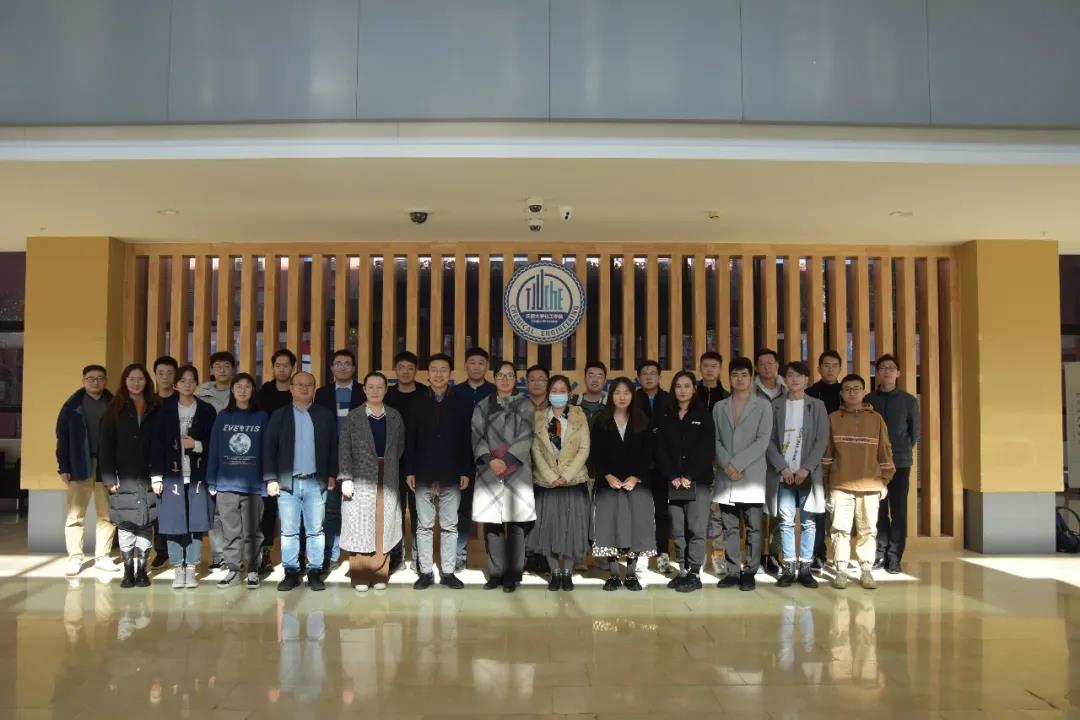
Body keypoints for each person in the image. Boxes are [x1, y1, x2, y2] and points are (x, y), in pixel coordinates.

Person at [264, 372, 339, 592]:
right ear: (291, 388)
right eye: (299, 385)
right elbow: (269, 448)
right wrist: (270, 478)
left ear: (314, 388)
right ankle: (291, 572)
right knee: (289, 531)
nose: (304, 388)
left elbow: (333, 447)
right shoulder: (279, 415)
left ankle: (315, 571)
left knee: (316, 530)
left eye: (309, 385)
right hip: (287, 483)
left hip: (316, 482)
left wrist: (332, 474)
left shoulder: (325, 415)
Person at [404, 354, 472, 590]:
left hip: (453, 473)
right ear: (428, 374)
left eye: (444, 369)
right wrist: (409, 470)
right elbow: (410, 440)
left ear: (450, 374)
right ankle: (425, 572)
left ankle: (448, 572)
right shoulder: (417, 403)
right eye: (434, 369)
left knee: (450, 525)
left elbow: (467, 440)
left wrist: (465, 470)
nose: (439, 374)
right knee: (423, 525)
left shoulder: (462, 402)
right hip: (422, 473)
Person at [822, 374, 896, 590]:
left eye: (856, 388)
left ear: (864, 392)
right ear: (841, 393)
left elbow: (885, 451)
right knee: (839, 529)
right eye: (847, 389)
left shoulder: (876, 419)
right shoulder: (833, 418)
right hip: (840, 484)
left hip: (870, 485)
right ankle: (841, 571)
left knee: (868, 530)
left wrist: (884, 481)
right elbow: (827, 453)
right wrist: (825, 483)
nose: (852, 392)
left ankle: (866, 570)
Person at [149, 365, 217, 590]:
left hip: (198, 474)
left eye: (192, 380)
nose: (187, 384)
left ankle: (191, 568)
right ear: (175, 385)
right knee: (172, 522)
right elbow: (156, 445)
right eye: (183, 381)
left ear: (196, 383)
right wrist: (156, 476)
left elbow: (214, 443)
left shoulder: (206, 410)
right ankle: (178, 567)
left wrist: (195, 444)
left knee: (196, 523)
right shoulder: (164, 410)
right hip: (171, 475)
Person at [471, 362, 536, 592]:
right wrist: (491, 460)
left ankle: (513, 575)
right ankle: (496, 573)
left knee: (516, 525)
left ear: (516, 379)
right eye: (501, 375)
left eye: (510, 375)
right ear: (494, 377)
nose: (505, 379)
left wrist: (506, 460)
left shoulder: (525, 405)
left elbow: (527, 436)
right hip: (489, 470)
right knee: (492, 524)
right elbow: (476, 436)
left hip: (517, 470)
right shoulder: (482, 405)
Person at [338, 372, 406, 592]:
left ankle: (379, 573)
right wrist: (346, 477)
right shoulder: (354, 416)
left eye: (380, 387)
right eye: (371, 387)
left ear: (386, 390)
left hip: (388, 475)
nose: (375, 391)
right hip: (360, 476)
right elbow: (344, 449)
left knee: (383, 524)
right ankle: (360, 574)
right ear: (364, 389)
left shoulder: (394, 416)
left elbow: (399, 447)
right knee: (359, 524)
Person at [765, 361, 829, 589]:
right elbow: (768, 440)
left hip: (807, 473)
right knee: (786, 521)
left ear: (806, 380)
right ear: (784, 379)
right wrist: (782, 467)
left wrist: (806, 468)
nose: (794, 379)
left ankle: (805, 568)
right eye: (790, 375)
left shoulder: (817, 405)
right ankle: (789, 567)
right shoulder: (775, 405)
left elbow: (822, 439)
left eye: (799, 376)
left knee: (809, 522)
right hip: (783, 474)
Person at [713, 357, 773, 591]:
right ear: (729, 378)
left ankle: (749, 571)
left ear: (751, 377)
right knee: (729, 527)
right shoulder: (719, 407)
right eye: (735, 375)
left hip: (751, 475)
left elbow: (763, 441)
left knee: (754, 528)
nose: (739, 379)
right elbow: (715, 440)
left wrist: (736, 464)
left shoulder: (763, 406)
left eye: (744, 375)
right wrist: (727, 464)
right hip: (726, 474)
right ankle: (732, 571)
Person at [99, 363, 160, 589]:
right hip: (122, 475)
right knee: (126, 524)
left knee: (146, 522)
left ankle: (142, 570)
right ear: (125, 382)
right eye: (131, 379)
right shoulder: (113, 409)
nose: (136, 383)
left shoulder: (156, 407)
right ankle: (128, 571)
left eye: (140, 379)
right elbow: (105, 446)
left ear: (147, 382)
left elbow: (161, 444)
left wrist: (159, 474)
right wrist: (108, 477)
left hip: (149, 475)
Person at [590, 377, 655, 591]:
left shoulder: (642, 420)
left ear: (632, 396)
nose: (622, 396)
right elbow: (595, 453)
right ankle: (613, 574)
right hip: (608, 483)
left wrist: (636, 477)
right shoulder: (601, 420)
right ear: (611, 395)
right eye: (617, 392)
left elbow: (648, 452)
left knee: (636, 526)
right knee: (609, 526)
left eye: (626, 392)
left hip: (637, 484)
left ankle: (631, 574)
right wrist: (607, 475)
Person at [530, 374, 592, 592]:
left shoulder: (578, 415)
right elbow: (535, 449)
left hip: (573, 482)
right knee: (549, 529)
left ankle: (567, 573)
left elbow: (584, 448)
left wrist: (566, 475)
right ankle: (554, 572)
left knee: (571, 529)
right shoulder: (538, 417)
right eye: (554, 391)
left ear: (569, 393)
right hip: (547, 483)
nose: (558, 394)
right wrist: (550, 476)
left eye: (562, 391)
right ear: (548, 393)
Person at [207, 373, 269, 589]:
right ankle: (233, 570)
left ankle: (253, 571)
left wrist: (266, 481)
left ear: (253, 391)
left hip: (254, 485)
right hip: (226, 485)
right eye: (238, 386)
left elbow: (266, 451)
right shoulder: (223, 417)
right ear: (232, 390)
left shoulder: (261, 417)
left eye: (247, 386)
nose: (243, 390)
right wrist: (211, 480)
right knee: (230, 533)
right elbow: (214, 449)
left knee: (253, 532)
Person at [655, 371, 715, 593]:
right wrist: (672, 476)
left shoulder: (703, 415)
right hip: (673, 482)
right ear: (673, 389)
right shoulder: (665, 416)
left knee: (696, 529)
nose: (682, 390)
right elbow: (660, 449)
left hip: (697, 482)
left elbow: (707, 450)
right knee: (678, 529)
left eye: (687, 386)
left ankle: (694, 572)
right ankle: (682, 570)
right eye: (678, 386)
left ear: (694, 389)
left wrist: (689, 476)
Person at [56, 364, 118, 576]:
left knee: (106, 514)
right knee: (75, 515)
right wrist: (63, 466)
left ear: (105, 381)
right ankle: (75, 558)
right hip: (78, 464)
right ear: (83, 381)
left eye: (100, 378)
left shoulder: (115, 404)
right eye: (91, 378)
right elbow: (62, 438)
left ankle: (102, 556)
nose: (95, 382)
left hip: (106, 466)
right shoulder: (71, 406)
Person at [314, 349, 366, 577]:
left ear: (353, 368)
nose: (343, 367)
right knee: (332, 511)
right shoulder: (322, 393)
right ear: (332, 368)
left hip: (359, 459)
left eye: (347, 363)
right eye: (338, 363)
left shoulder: (364, 391)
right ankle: (331, 556)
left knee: (358, 510)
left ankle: (359, 556)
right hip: (331, 457)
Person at [866, 354, 919, 574]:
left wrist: (900, 452)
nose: (887, 371)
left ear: (898, 373)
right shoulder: (869, 399)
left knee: (898, 510)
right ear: (877, 372)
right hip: (873, 463)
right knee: (877, 510)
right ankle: (880, 553)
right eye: (882, 368)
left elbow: (914, 433)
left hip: (900, 463)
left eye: (891, 368)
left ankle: (895, 556)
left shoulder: (908, 400)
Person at [454, 347, 497, 573]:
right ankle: (459, 556)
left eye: (481, 363)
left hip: (491, 460)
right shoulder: (455, 393)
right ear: (466, 365)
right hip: (463, 459)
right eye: (472, 362)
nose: (477, 367)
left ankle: (493, 560)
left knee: (492, 510)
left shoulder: (495, 392)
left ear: (487, 367)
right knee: (462, 509)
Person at [385, 350, 426, 573]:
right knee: (395, 510)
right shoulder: (388, 394)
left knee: (420, 512)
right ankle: (397, 557)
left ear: (416, 370)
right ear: (396, 370)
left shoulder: (425, 393)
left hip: (419, 460)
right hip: (393, 461)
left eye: (410, 368)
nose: (406, 372)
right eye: (401, 368)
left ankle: (420, 558)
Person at [256, 348, 297, 573]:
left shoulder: (297, 391)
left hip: (294, 456)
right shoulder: (264, 392)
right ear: (272, 368)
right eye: (278, 365)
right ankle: (266, 554)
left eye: (286, 365)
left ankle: (297, 555)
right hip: (268, 455)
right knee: (268, 508)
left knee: (293, 508)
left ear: (293, 368)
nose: (282, 369)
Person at [633, 359, 673, 576]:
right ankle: (641, 553)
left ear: (659, 376)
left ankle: (663, 553)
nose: (648, 377)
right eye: (644, 373)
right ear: (638, 377)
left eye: (652, 373)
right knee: (640, 511)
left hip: (663, 465)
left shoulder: (669, 399)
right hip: (639, 464)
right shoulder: (632, 399)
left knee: (663, 512)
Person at [806, 349, 843, 569]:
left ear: (840, 369)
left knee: (839, 508)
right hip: (817, 457)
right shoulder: (810, 393)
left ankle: (840, 555)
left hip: (841, 457)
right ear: (819, 368)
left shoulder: (846, 392)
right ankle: (818, 553)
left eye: (834, 365)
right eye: (826, 365)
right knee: (817, 506)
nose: (830, 369)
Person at [150, 355, 179, 568]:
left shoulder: (182, 399)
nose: (165, 377)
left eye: (169, 373)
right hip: (153, 460)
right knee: (157, 508)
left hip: (178, 461)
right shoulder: (149, 402)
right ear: (155, 375)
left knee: (177, 507)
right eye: (161, 373)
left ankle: (177, 549)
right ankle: (161, 550)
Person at [570, 360, 609, 424]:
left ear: (605, 381)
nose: (595, 380)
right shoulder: (573, 402)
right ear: (585, 379)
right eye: (591, 376)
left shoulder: (611, 404)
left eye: (599, 377)